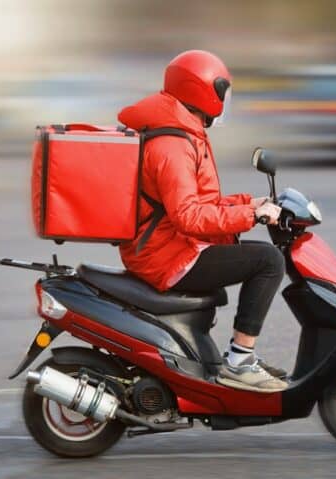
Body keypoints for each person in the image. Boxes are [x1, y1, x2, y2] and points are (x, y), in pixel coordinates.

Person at [117, 50, 287, 392]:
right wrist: (249, 215)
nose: (224, 101)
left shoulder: (183, 131)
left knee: (254, 258)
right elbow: (188, 216)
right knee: (268, 261)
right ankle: (240, 361)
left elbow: (197, 202)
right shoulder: (172, 144)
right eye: (222, 92)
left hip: (170, 247)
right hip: (167, 256)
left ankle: (230, 360)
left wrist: (247, 203)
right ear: (202, 91)